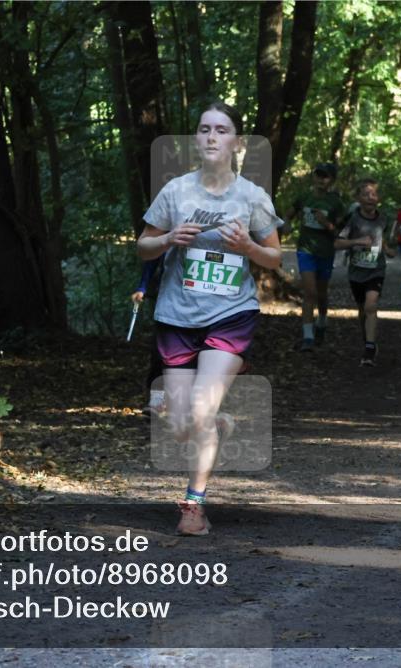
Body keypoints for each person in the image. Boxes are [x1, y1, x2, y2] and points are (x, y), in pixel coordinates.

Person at [137, 101, 283, 535]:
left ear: (237, 142)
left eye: (221, 130)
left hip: (231, 315)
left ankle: (193, 506)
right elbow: (143, 247)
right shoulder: (176, 191)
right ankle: (216, 424)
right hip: (177, 317)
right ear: (196, 139)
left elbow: (275, 257)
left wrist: (248, 248)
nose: (212, 136)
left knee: (199, 411)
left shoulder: (252, 196)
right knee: (183, 426)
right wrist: (168, 238)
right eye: (204, 129)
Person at [283, 163, 347, 351]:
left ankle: (322, 320)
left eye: (325, 176)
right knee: (309, 292)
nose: (321, 179)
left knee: (321, 293)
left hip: (325, 252)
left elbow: (340, 232)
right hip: (306, 251)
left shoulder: (335, 203)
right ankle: (308, 337)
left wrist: (326, 223)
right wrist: (286, 224)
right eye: (318, 175)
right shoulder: (304, 197)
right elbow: (288, 215)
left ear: (332, 180)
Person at [334, 179, 396, 366]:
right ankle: (368, 340)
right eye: (366, 194)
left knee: (371, 305)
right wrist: (357, 241)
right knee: (362, 309)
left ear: (379, 198)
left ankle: (369, 350)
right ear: (358, 198)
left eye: (374, 194)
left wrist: (387, 249)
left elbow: (380, 238)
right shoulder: (353, 219)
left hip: (376, 270)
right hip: (357, 272)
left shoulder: (384, 218)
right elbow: (337, 243)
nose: (370, 198)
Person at [131, 258, 165, 415]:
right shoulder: (172, 241)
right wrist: (142, 287)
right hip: (171, 303)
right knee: (160, 354)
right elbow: (153, 258)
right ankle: (157, 400)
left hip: (213, 308)